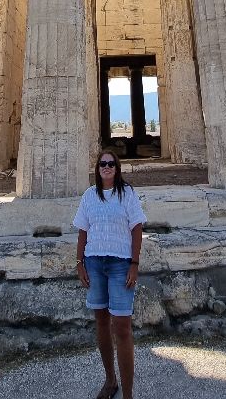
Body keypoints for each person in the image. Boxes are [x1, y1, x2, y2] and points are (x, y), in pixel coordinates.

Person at [73, 150, 146, 399]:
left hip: (120, 265)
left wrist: (134, 263)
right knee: (102, 322)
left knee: (122, 326)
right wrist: (79, 262)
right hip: (94, 262)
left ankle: (128, 394)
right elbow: (83, 231)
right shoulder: (89, 196)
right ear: (97, 168)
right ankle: (110, 380)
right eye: (103, 164)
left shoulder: (127, 194)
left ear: (117, 168)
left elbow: (137, 228)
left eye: (111, 164)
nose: (106, 167)